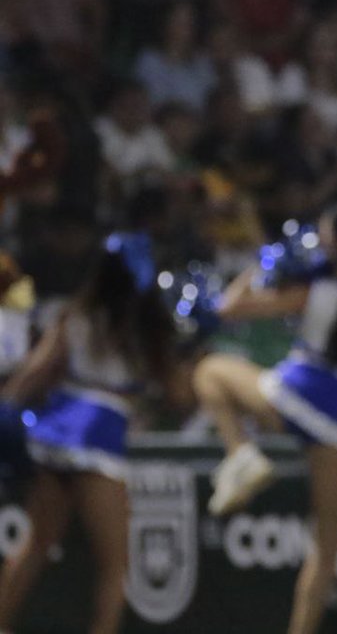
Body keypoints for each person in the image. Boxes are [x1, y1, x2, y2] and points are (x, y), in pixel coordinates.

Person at [192, 200, 337, 634]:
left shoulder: (313, 289)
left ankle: (241, 454)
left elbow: (229, 308)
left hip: (298, 389)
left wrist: (262, 263)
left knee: (210, 371)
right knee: (326, 549)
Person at [0, 231, 180, 634]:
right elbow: (177, 394)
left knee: (34, 546)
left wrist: (7, 405)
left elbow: (35, 372)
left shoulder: (75, 315)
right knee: (115, 565)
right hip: (99, 434)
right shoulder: (148, 327)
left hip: (57, 430)